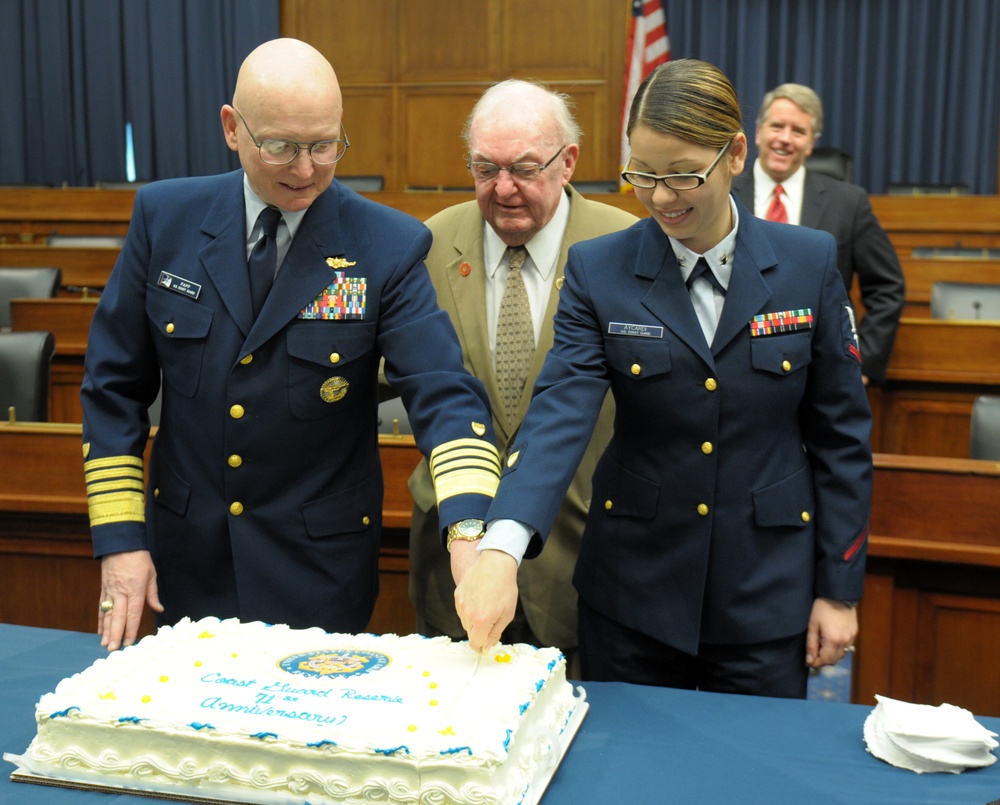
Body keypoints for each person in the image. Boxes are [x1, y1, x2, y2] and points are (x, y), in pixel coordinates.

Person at [454, 59, 873, 699]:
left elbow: (842, 438)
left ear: (735, 155)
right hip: (632, 597)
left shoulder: (805, 263)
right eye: (643, 175)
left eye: (681, 175)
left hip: (764, 596)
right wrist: (502, 548)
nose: (661, 196)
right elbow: (560, 414)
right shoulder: (601, 269)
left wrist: (838, 591)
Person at [81, 38, 501, 652]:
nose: (305, 170)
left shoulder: (386, 244)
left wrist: (469, 533)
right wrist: (122, 539)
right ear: (232, 127)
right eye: (280, 146)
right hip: (188, 563)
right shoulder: (165, 219)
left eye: (324, 146)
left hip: (319, 571)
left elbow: (442, 390)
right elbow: (114, 388)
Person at [405, 79, 638, 667]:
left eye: (524, 168)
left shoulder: (625, 248)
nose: (503, 188)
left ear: (569, 163)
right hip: (452, 564)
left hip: (583, 559)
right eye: (486, 169)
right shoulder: (427, 245)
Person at [732, 83, 905, 385]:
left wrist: (860, 363)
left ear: (811, 143)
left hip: (820, 371)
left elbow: (887, 288)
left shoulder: (848, 203)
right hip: (735, 366)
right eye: (777, 126)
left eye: (798, 131)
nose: (785, 139)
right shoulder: (724, 194)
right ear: (758, 132)